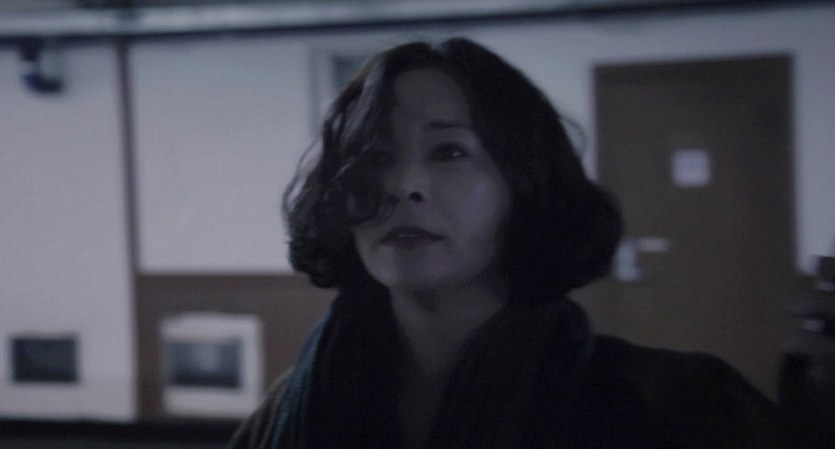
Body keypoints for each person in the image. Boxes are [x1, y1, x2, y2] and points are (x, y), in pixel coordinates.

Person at [227, 37, 783, 449]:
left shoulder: (673, 407)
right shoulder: (286, 413)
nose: (403, 185)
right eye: (375, 157)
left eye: (449, 152)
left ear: (523, 184)